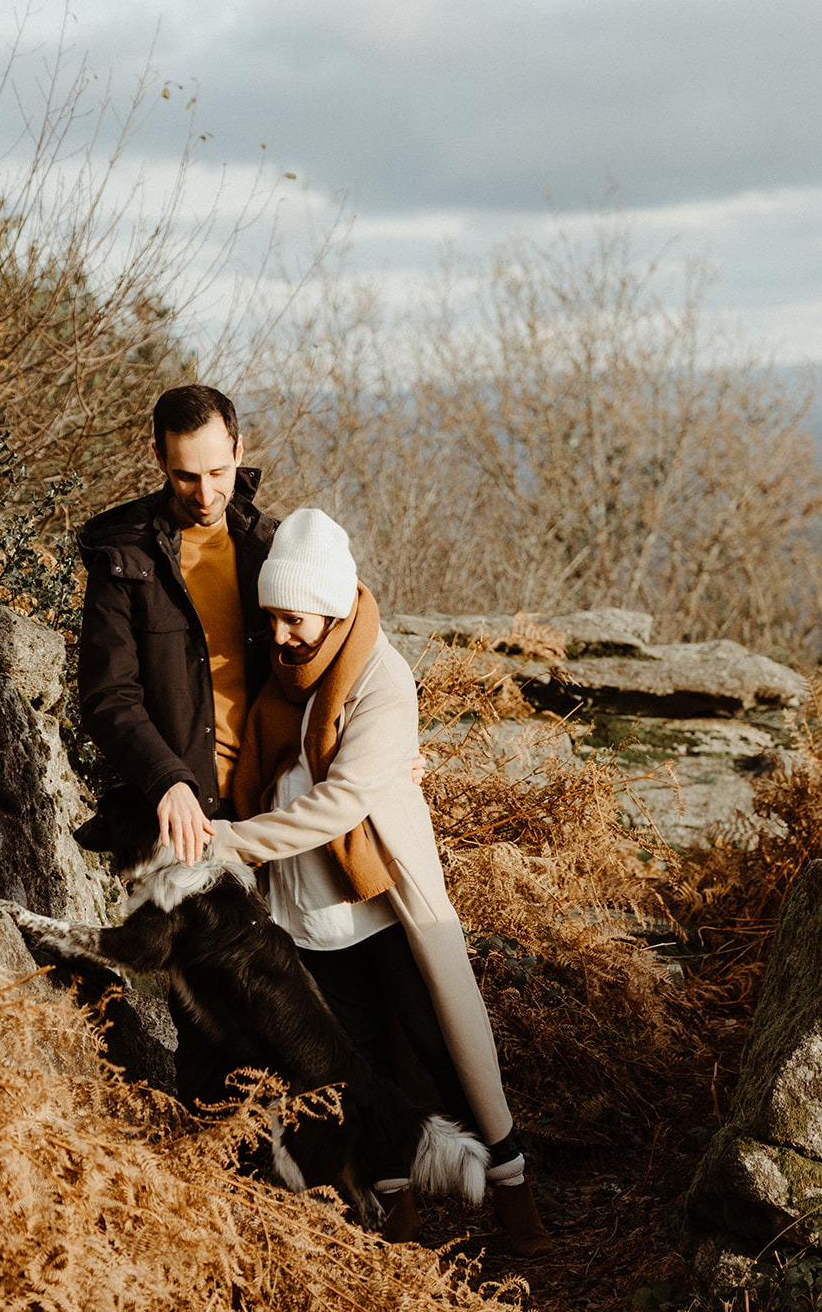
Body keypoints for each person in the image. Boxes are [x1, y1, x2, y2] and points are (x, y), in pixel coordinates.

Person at [212, 509, 553, 1257]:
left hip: (383, 907)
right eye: (270, 619)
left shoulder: (380, 676)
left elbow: (339, 802)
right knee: (357, 1069)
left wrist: (230, 840)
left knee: (447, 1054)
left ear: (332, 608)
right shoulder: (277, 683)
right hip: (305, 917)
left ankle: (514, 1199)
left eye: (293, 619)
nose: (279, 637)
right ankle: (396, 1215)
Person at [75, 384, 279, 1100]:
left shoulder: (272, 547)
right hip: (189, 820)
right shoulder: (122, 555)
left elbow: (341, 650)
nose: (203, 492)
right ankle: (214, 1183)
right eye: (185, 475)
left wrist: (391, 743)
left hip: (280, 809)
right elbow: (107, 695)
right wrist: (168, 782)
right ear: (159, 460)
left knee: (307, 1005)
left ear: (240, 452)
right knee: (207, 1020)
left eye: (218, 472)